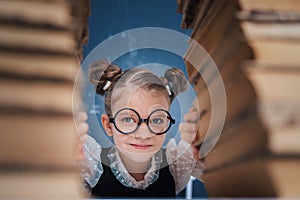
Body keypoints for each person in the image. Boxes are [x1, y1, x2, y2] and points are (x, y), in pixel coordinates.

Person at [77, 60, 205, 198]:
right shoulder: (92, 165)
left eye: (156, 120)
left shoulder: (176, 165)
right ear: (109, 125)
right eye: (128, 119)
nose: (144, 134)